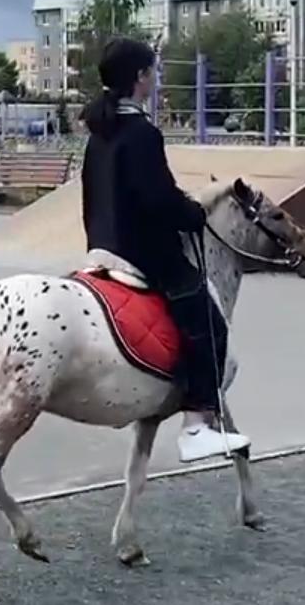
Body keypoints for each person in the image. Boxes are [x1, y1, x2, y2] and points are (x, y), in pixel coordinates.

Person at [79, 37, 250, 463]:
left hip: (100, 248)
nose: (155, 78)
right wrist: (192, 214)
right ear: (139, 77)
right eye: (152, 71)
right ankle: (196, 424)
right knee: (208, 319)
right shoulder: (142, 133)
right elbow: (158, 199)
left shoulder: (99, 133)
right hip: (140, 251)